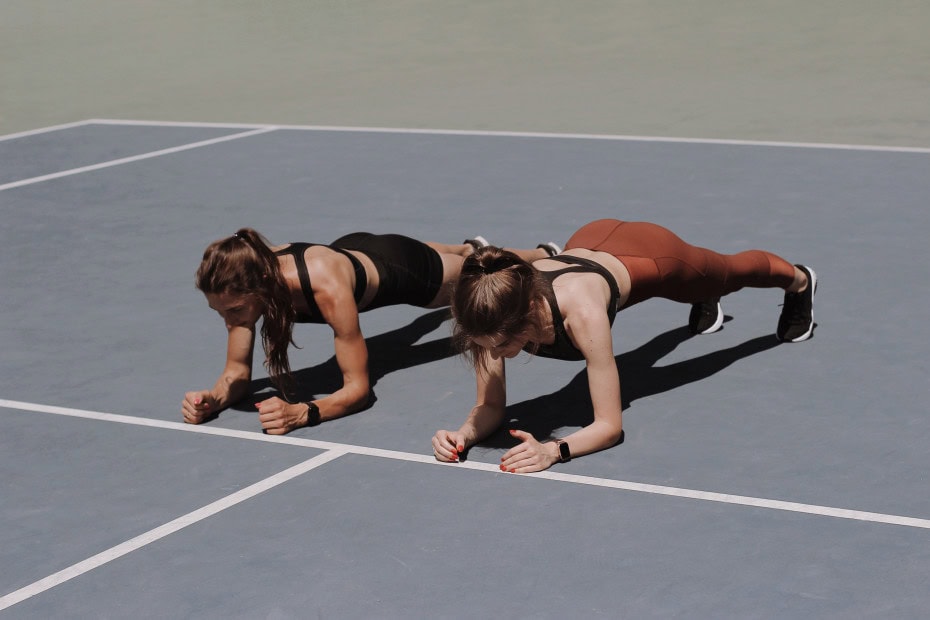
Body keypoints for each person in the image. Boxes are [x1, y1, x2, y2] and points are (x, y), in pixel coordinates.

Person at [432, 219, 817, 473]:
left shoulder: (582, 314)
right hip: (588, 239)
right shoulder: (485, 314)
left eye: (500, 346)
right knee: (696, 299)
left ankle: (799, 280)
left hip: (649, 253)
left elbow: (609, 426)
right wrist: (463, 435)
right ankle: (699, 298)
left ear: (527, 317)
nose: (492, 356)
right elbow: (492, 405)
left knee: (727, 274)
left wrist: (554, 450)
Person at [182, 228, 558, 434]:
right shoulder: (244, 293)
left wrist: (304, 413)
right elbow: (235, 374)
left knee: (477, 273)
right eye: (220, 312)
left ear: (263, 283)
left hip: (401, 271)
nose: (230, 319)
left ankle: (543, 255)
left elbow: (358, 390)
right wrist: (213, 398)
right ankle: (465, 245)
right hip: (353, 249)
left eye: (233, 309)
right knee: (452, 255)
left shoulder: (323, 286)